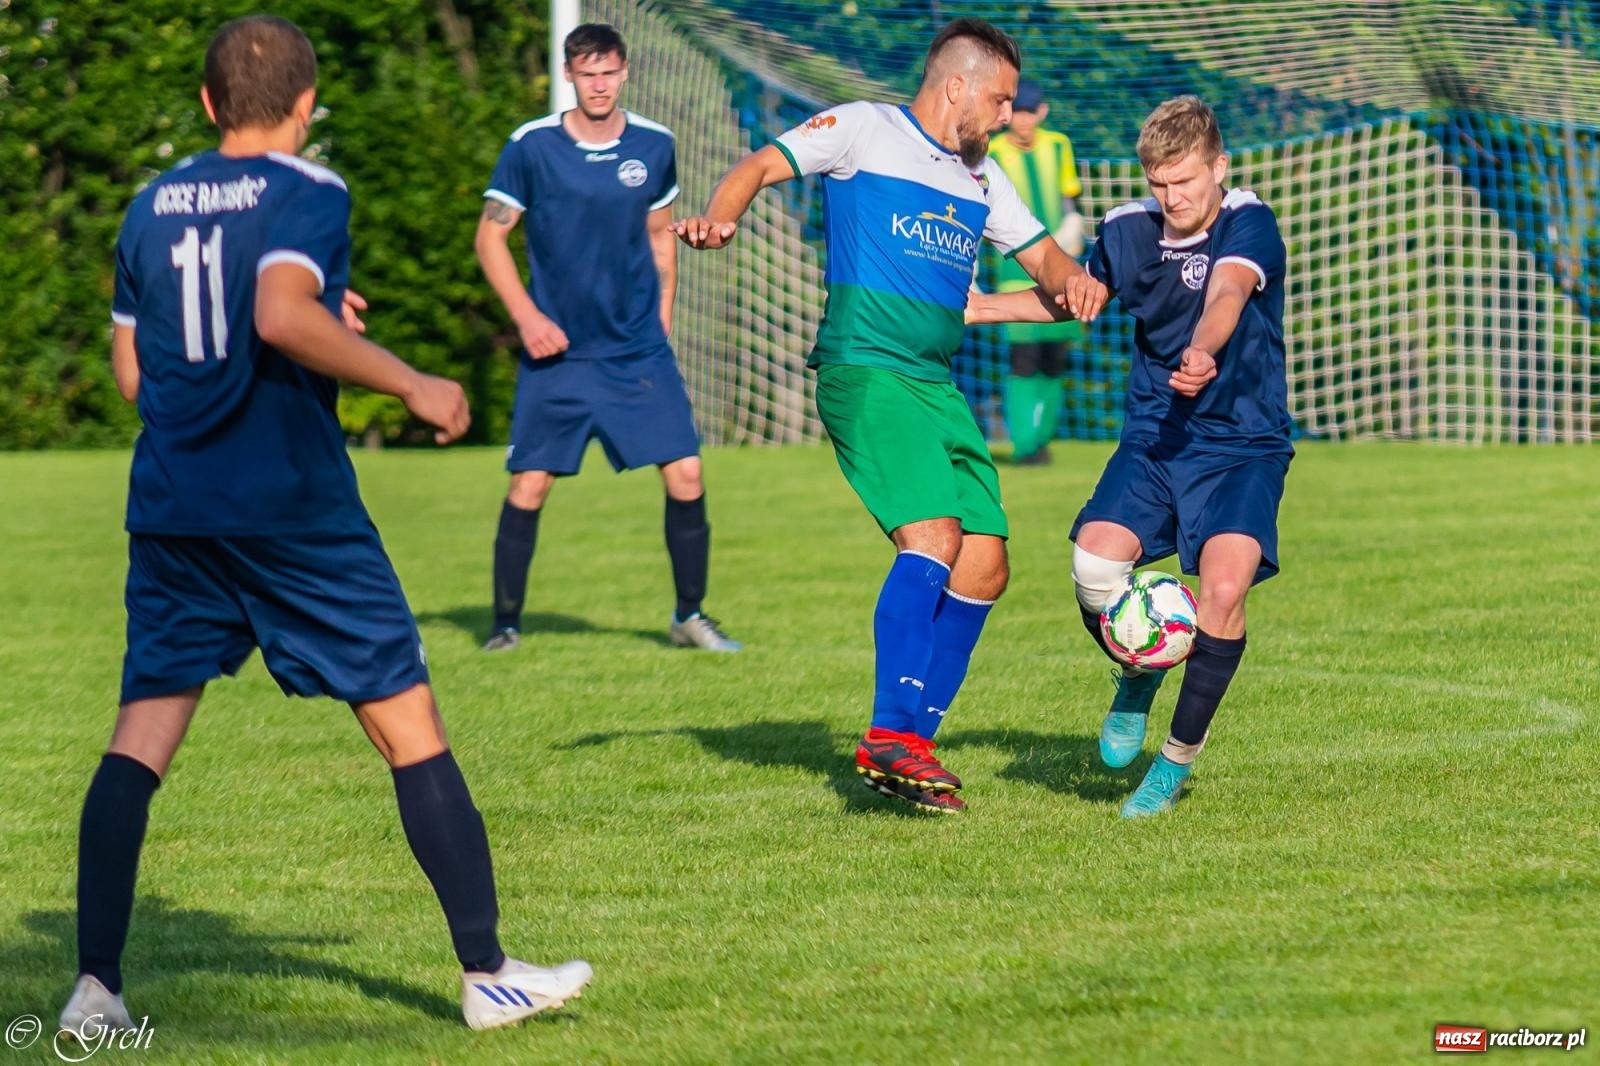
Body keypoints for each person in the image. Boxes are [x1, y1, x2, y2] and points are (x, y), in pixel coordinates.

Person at [60, 16, 591, 1038]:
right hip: (293, 507)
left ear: (210, 104)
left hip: (174, 508)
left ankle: (95, 989)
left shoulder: (148, 205)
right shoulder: (311, 190)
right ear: (307, 107)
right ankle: (486, 973)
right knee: (408, 725)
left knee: (140, 739)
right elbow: (274, 314)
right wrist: (415, 380)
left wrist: (297, 328)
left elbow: (139, 377)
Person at [676, 19, 1104, 813]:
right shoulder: (866, 128)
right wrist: (723, 214)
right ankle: (891, 734)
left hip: (934, 384)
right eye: (1002, 99)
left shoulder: (983, 178)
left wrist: (1074, 281)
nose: (1010, 116)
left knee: (986, 564)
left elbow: (1046, 263)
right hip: (866, 371)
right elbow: (762, 165)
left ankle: (909, 750)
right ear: (958, 87)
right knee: (935, 539)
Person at [967, 95, 1291, 818]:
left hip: (1242, 445)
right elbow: (1075, 299)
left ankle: (1172, 766)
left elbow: (1229, 291)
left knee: (1224, 592)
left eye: (1187, 182)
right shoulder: (1126, 229)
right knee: (1094, 566)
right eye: (1160, 185)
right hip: (1155, 438)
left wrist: (1202, 352)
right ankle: (1138, 673)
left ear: (1219, 167)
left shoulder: (1249, 221)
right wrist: (979, 306)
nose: (1173, 199)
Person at [475, 23, 739, 654]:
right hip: (559, 354)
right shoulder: (531, 147)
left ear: (625, 73)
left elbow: (659, 237)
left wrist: (665, 314)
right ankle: (505, 625)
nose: (599, 83)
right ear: (570, 74)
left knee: (687, 473)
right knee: (529, 486)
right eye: (587, 72)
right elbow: (490, 239)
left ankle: (689, 616)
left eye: (609, 72)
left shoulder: (654, 144)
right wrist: (527, 320)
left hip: (635, 351)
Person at [985, 79, 1087, 465]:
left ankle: (1042, 438)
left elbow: (1069, 195)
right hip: (1013, 268)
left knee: (1054, 357)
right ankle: (1024, 444)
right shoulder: (992, 149)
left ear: (1041, 112)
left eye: (1030, 111)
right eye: (1018, 111)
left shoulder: (1059, 145)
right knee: (1024, 357)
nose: (1023, 120)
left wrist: (1073, 225)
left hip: (1057, 263)